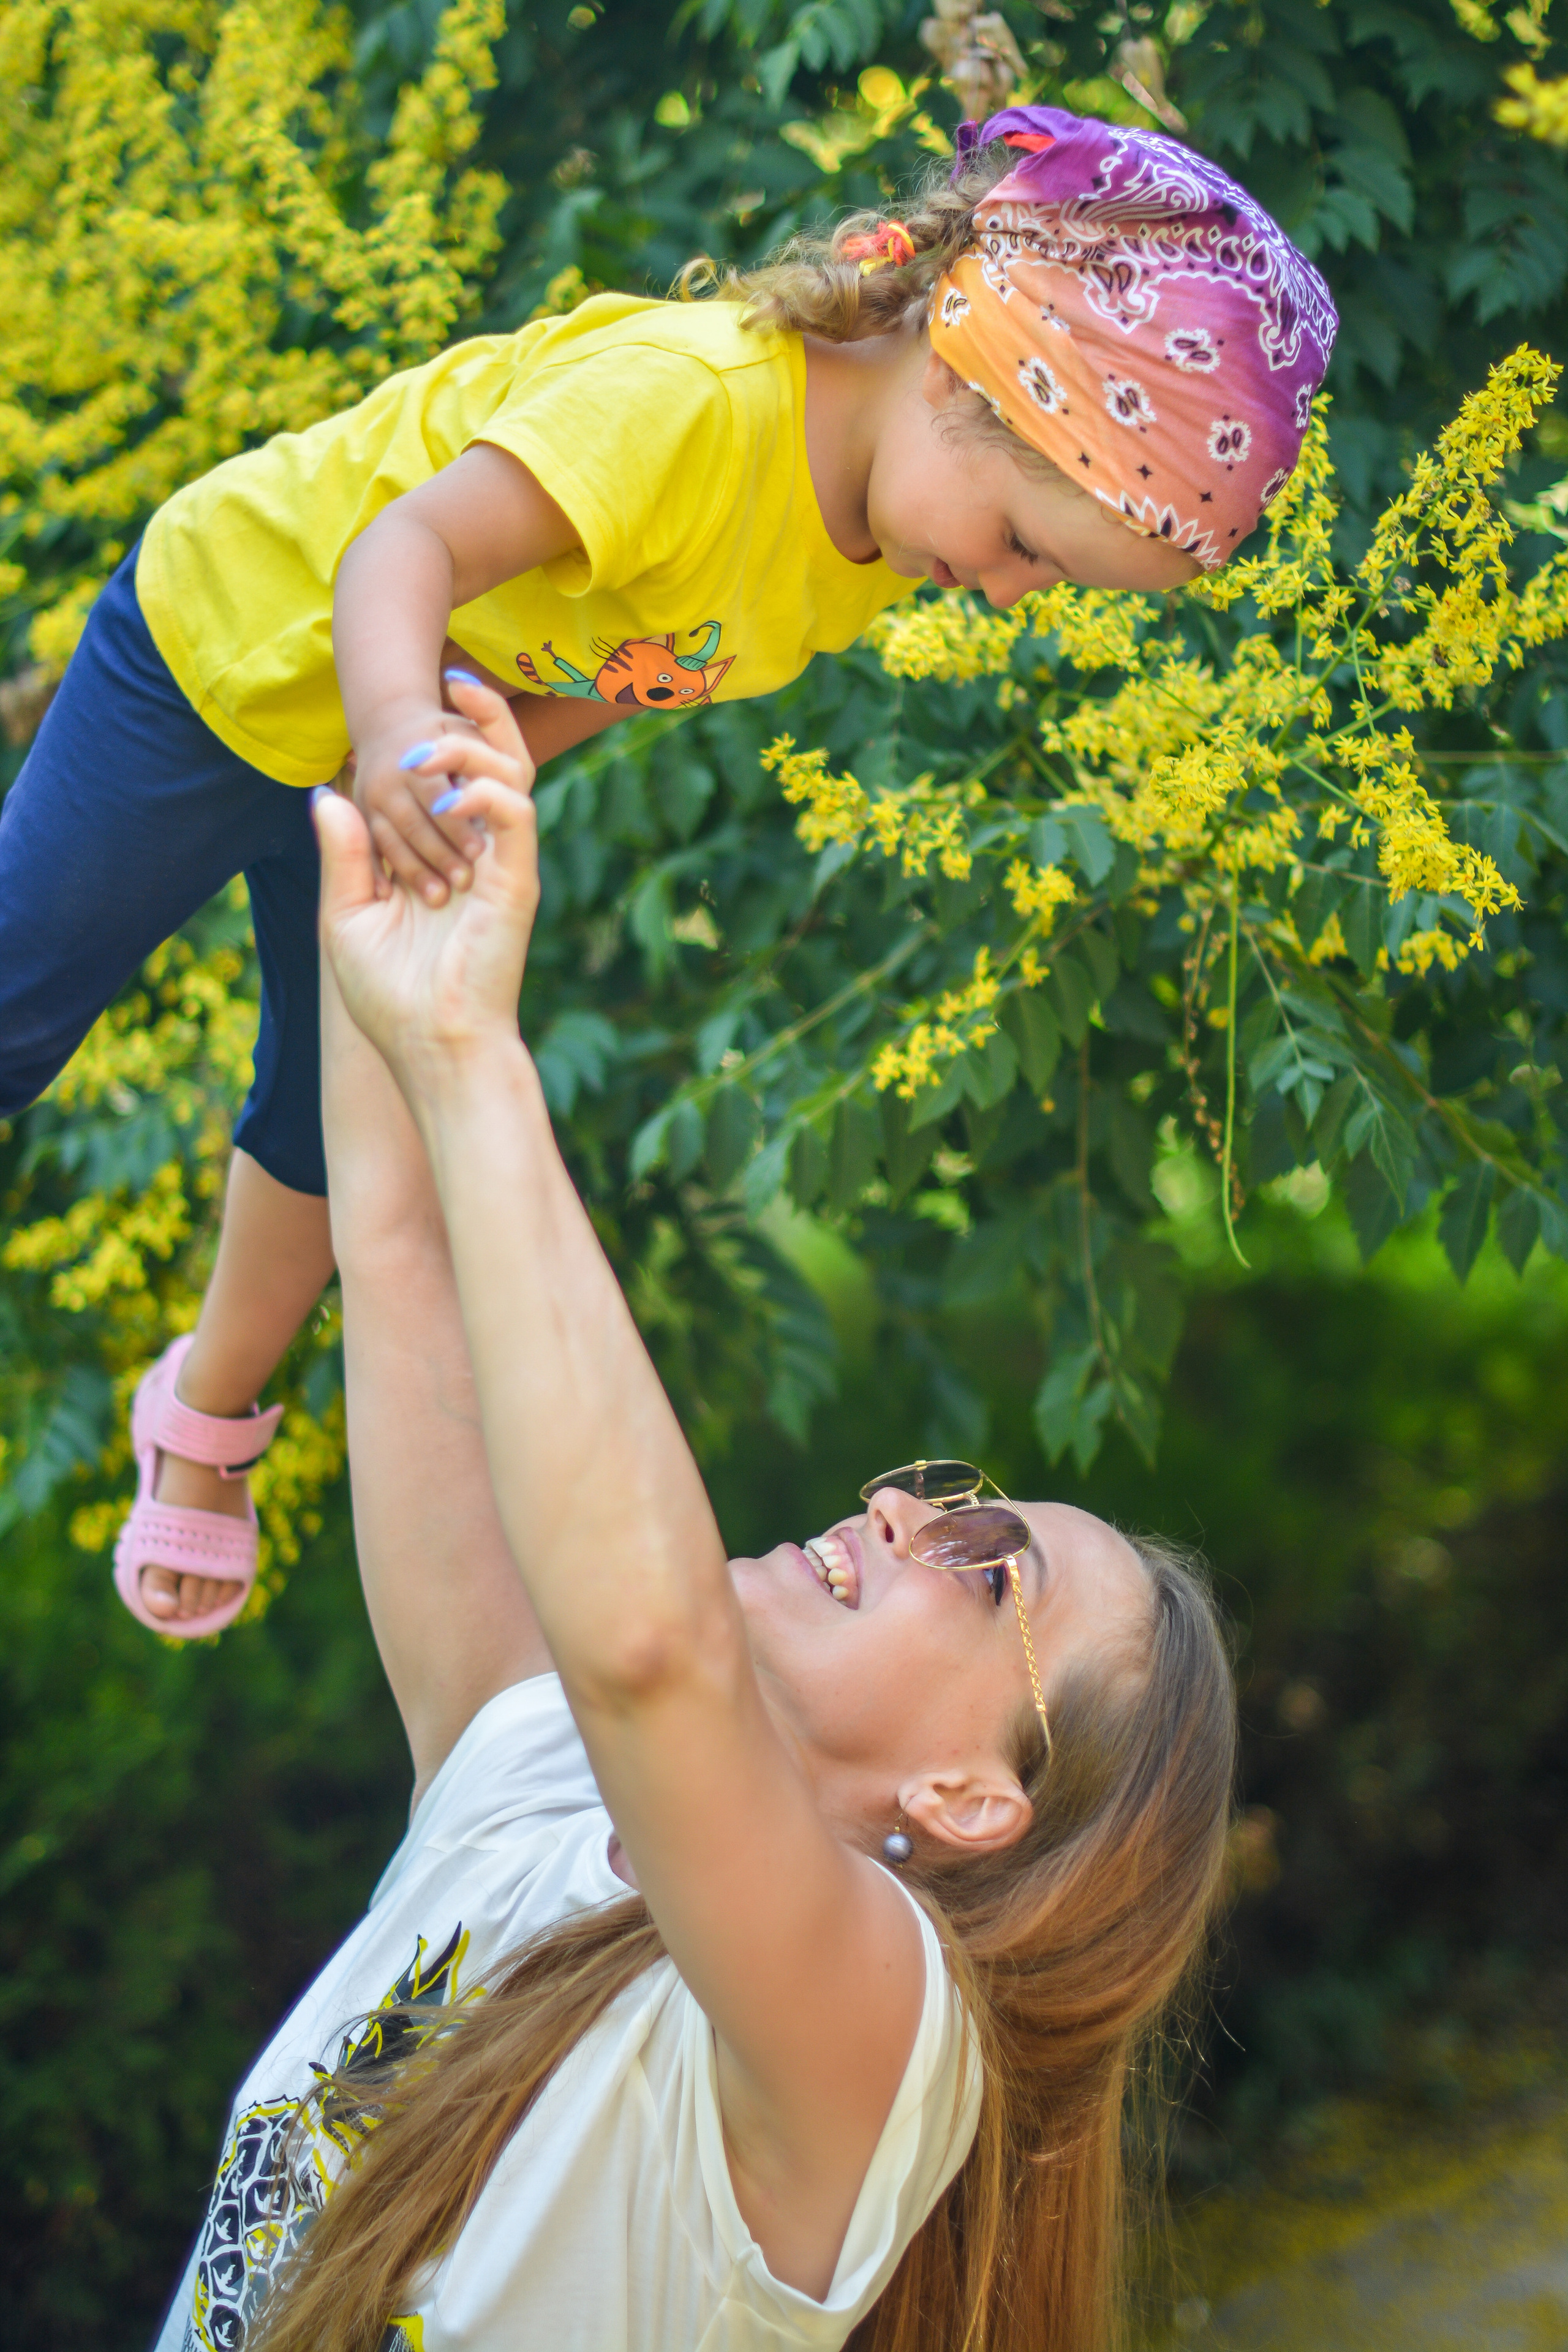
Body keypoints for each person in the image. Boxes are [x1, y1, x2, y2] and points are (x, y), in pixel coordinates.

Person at [0, 103, 1333, 1638]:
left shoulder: (857, 556)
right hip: (227, 652)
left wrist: (476, 785)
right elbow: (397, 555)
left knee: (341, 1124)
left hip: (404, 748)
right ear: (969, 387)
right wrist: (389, 741)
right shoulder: (687, 406)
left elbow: (605, 678)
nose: (1013, 595)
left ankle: (209, 1412)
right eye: (1031, 546)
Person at [151, 680, 1237, 2352]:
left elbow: (654, 1647)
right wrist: (394, 794)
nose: (899, 1509)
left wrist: (472, 1051)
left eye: (985, 1564)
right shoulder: (535, 1782)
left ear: (969, 1800)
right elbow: (401, 1245)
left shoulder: (882, 2049)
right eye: (944, 1494)